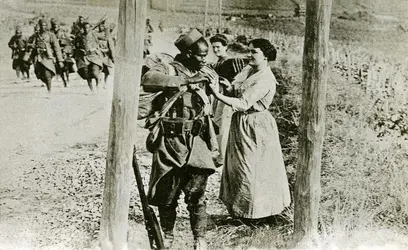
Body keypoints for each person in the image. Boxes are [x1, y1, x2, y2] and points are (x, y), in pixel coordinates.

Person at [141, 29, 219, 250]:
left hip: (196, 140)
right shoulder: (167, 67)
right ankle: (167, 236)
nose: (204, 59)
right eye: (200, 55)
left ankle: (199, 238)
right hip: (170, 140)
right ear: (186, 53)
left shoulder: (206, 71)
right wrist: (187, 80)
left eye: (206, 55)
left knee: (197, 193)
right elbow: (148, 79)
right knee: (167, 192)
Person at [208, 38, 291, 221]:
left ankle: (256, 214)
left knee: (252, 168)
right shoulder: (250, 71)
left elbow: (243, 103)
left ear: (266, 57)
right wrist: (229, 87)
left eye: (254, 52)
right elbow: (239, 92)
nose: (249, 55)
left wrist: (217, 94)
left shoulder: (265, 78)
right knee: (237, 166)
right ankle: (239, 211)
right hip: (241, 123)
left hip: (255, 125)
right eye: (249, 51)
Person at [209, 34, 247, 166]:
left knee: (224, 128)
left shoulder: (232, 62)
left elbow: (242, 82)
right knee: (218, 126)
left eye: (218, 47)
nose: (215, 50)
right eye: (213, 47)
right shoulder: (217, 63)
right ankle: (221, 154)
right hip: (218, 98)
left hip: (229, 99)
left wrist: (230, 87)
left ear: (225, 47)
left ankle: (223, 158)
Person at [28, 19, 64, 92]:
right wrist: (32, 46)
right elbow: (28, 44)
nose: (43, 27)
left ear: (47, 26)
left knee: (47, 73)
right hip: (38, 57)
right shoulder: (35, 35)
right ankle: (47, 84)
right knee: (40, 74)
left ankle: (49, 90)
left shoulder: (51, 35)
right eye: (41, 25)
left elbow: (56, 48)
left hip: (48, 56)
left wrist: (60, 60)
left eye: (44, 25)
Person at [73, 22, 103, 91]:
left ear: (89, 28)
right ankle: (91, 89)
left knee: (95, 72)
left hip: (94, 55)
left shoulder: (94, 33)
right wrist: (80, 49)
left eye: (87, 27)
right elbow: (75, 44)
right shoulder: (80, 36)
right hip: (85, 57)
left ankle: (98, 85)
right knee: (86, 74)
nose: (86, 29)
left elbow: (104, 37)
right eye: (84, 28)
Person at [51, 21, 74, 87]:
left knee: (66, 66)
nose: (55, 27)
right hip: (55, 52)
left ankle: (67, 78)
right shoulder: (51, 34)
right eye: (54, 26)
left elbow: (68, 43)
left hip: (63, 51)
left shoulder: (63, 34)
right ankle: (64, 81)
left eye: (56, 26)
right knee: (58, 68)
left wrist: (65, 50)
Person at [97, 20, 115, 86]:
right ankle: (99, 80)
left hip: (106, 55)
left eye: (102, 26)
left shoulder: (108, 36)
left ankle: (105, 82)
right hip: (99, 54)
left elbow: (110, 46)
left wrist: (106, 51)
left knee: (106, 70)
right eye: (100, 26)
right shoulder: (97, 34)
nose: (101, 27)